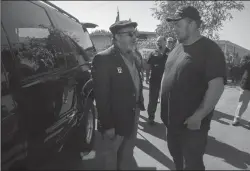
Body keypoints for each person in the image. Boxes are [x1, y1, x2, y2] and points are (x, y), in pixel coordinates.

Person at [161, 6, 226, 170]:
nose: (174, 29)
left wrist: (199, 116)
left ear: (192, 24)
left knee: (192, 165)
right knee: (178, 162)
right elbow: (167, 74)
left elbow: (216, 85)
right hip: (171, 124)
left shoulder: (210, 50)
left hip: (191, 128)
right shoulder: (177, 48)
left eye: (178, 24)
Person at [92, 20, 145, 170]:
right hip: (115, 120)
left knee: (127, 154)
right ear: (117, 37)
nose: (134, 37)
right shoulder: (103, 59)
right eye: (130, 34)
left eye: (135, 33)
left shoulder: (134, 55)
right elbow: (101, 96)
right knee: (110, 157)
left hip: (133, 114)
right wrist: (108, 125)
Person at [147, 36, 170, 125]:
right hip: (154, 80)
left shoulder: (171, 53)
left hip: (167, 81)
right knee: (153, 99)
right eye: (157, 41)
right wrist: (147, 77)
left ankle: (167, 119)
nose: (158, 43)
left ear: (165, 42)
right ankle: (151, 117)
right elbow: (148, 66)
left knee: (166, 100)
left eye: (160, 41)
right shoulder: (152, 53)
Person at [232, 55, 250, 126]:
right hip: (247, 85)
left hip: (246, 84)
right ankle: (237, 118)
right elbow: (241, 68)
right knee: (242, 103)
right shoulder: (248, 58)